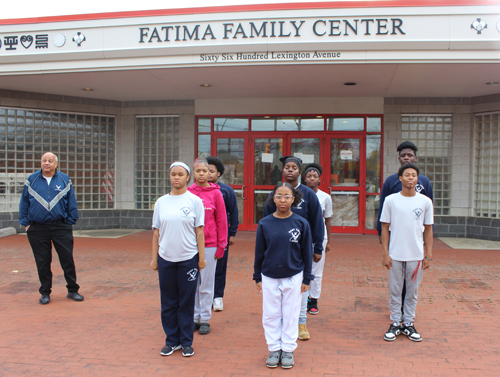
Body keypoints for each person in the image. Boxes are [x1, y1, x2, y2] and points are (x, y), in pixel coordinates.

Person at [263, 156, 324, 340]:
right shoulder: (276, 193)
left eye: (294, 168)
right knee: (280, 287)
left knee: (301, 286)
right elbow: (266, 221)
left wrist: (318, 247)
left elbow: (317, 222)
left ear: (300, 172)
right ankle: (281, 322)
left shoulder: (309, 194)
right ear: (283, 171)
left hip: (302, 248)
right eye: (287, 167)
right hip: (279, 248)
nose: (290, 170)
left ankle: (301, 322)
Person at [254, 182, 313, 369]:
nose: (282, 200)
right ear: (273, 198)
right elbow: (259, 252)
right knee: (271, 314)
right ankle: (273, 348)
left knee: (290, 313)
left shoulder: (301, 223)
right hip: (270, 275)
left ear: (293, 199)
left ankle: (287, 349)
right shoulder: (264, 223)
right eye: (279, 196)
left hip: (293, 275)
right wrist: (257, 276)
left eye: (287, 196)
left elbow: (307, 253)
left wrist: (306, 278)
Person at [150, 162, 206, 357]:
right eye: (173, 174)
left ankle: (186, 342)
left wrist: (201, 259)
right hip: (166, 258)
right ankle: (172, 340)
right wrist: (154, 259)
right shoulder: (161, 202)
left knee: (186, 301)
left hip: (188, 258)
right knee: (168, 301)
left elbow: (199, 232)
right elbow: (156, 233)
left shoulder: (195, 201)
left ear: (187, 177)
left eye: (180, 174)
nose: (176, 177)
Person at [376, 141, 433, 318]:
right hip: (395, 238)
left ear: (415, 157)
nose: (406, 158)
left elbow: (428, 217)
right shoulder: (391, 182)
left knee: (412, 281)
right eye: (403, 155)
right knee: (396, 280)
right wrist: (381, 233)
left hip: (414, 240)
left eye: (409, 155)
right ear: (399, 158)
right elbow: (383, 211)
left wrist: (427, 249)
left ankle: (407, 315)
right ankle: (397, 312)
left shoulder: (424, 182)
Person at [19, 152, 84, 305]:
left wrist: (69, 222)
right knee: (43, 262)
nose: (46, 163)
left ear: (56, 164)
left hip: (60, 227)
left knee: (67, 259)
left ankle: (73, 290)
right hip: (37, 228)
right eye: (44, 160)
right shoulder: (32, 180)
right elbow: (24, 202)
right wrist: (26, 224)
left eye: (50, 161)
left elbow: (71, 202)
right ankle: (45, 292)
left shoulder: (64, 179)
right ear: (40, 163)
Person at [188, 159, 228, 335]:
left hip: (210, 245)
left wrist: (222, 246)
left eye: (205, 170)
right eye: (198, 170)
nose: (202, 174)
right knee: (192, 282)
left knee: (206, 283)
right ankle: (194, 317)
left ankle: (205, 318)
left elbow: (222, 221)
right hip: (190, 246)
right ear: (193, 174)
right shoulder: (188, 193)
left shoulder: (216, 194)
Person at [206, 156, 239, 312]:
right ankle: (203, 296)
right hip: (202, 237)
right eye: (206, 171)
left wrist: (232, 233)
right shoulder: (195, 190)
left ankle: (217, 296)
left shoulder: (226, 190)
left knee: (219, 267)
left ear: (218, 173)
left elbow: (233, 212)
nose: (208, 174)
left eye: (212, 171)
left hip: (221, 236)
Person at [304, 163, 332, 315]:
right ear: (305, 178)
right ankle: (300, 297)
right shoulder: (298, 194)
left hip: (319, 238)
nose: (312, 178)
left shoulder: (325, 197)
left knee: (316, 270)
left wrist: (328, 241)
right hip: (301, 237)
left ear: (320, 179)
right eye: (309, 176)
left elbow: (327, 220)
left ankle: (313, 299)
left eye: (315, 176)